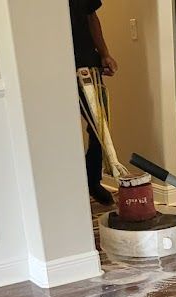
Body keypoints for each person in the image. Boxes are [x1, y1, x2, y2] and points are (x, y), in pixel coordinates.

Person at [68, 0, 118, 205]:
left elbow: (91, 16)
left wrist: (104, 53)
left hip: (87, 62)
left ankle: (92, 180)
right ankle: (70, 185)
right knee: (62, 131)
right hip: (53, 64)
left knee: (100, 126)